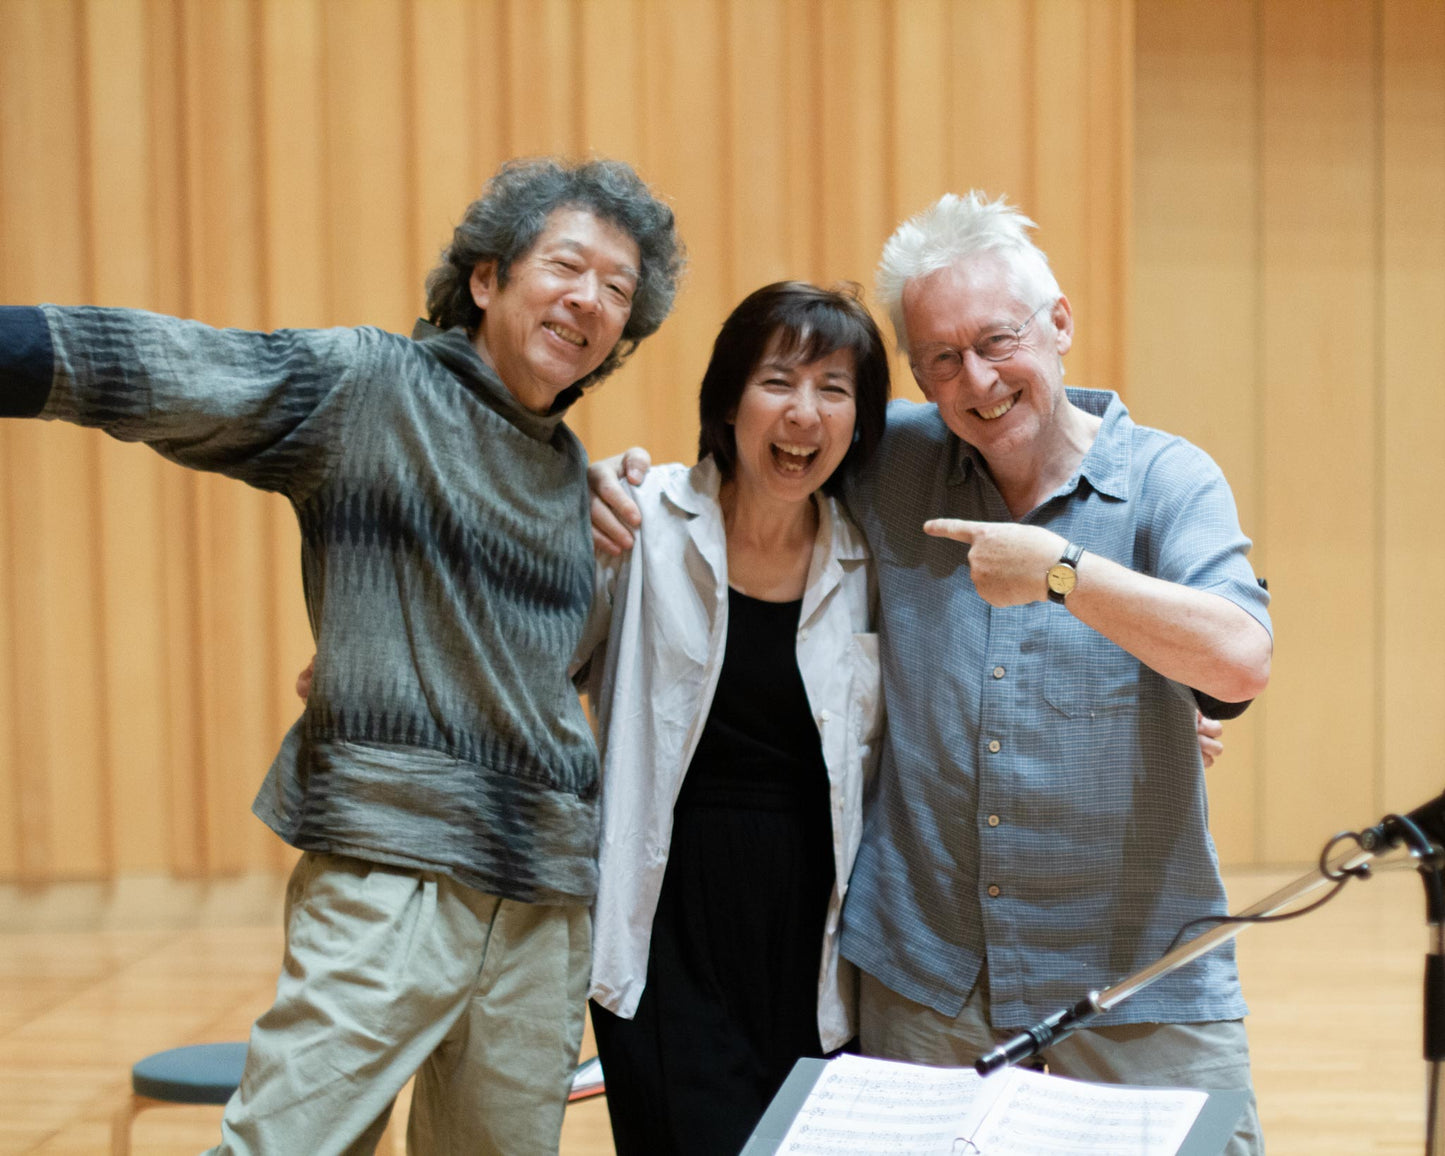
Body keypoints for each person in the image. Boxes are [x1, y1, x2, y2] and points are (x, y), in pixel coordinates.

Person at [0, 156, 683, 1156]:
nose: (590, 300)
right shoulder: (370, 387)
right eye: (567, 266)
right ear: (485, 277)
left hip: (540, 899)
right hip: (391, 870)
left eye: (617, 291)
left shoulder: (567, 477)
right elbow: (171, 367)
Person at [589, 191, 1271, 1155]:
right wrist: (610, 485)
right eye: (941, 360)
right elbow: (768, 455)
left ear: (1061, 324)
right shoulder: (892, 459)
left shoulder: (1167, 481)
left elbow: (1240, 661)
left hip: (1135, 975)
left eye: (997, 342)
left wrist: (1063, 574)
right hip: (929, 976)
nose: (978, 381)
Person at [571, 281, 889, 1155]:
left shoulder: (869, 559)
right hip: (666, 916)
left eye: (834, 388)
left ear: (860, 423)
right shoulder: (643, 521)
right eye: (778, 380)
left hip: (817, 931)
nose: (804, 413)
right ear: (726, 400)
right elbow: (537, 652)